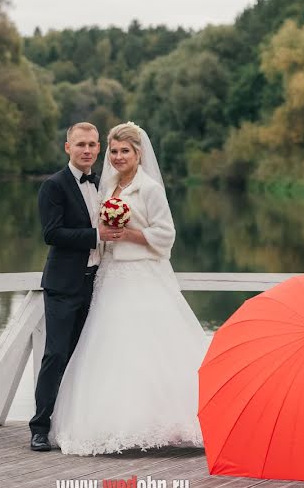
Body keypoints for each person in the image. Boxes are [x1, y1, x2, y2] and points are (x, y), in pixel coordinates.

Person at [49, 122, 208, 455]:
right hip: (111, 277)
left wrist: (132, 235)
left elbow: (166, 235)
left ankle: (165, 423)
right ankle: (116, 424)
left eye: (125, 151)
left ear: (139, 153)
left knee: (148, 348)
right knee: (111, 350)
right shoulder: (108, 187)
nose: (119, 157)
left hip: (141, 275)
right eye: (114, 151)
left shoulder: (149, 188)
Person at [29, 122, 123, 452]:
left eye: (93, 144)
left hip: (96, 284)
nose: (87, 150)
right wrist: (97, 236)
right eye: (80, 144)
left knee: (89, 357)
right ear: (67, 147)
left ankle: (75, 424)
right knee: (56, 354)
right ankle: (39, 427)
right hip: (62, 285)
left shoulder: (104, 186)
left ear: (99, 149)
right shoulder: (53, 186)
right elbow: (51, 234)